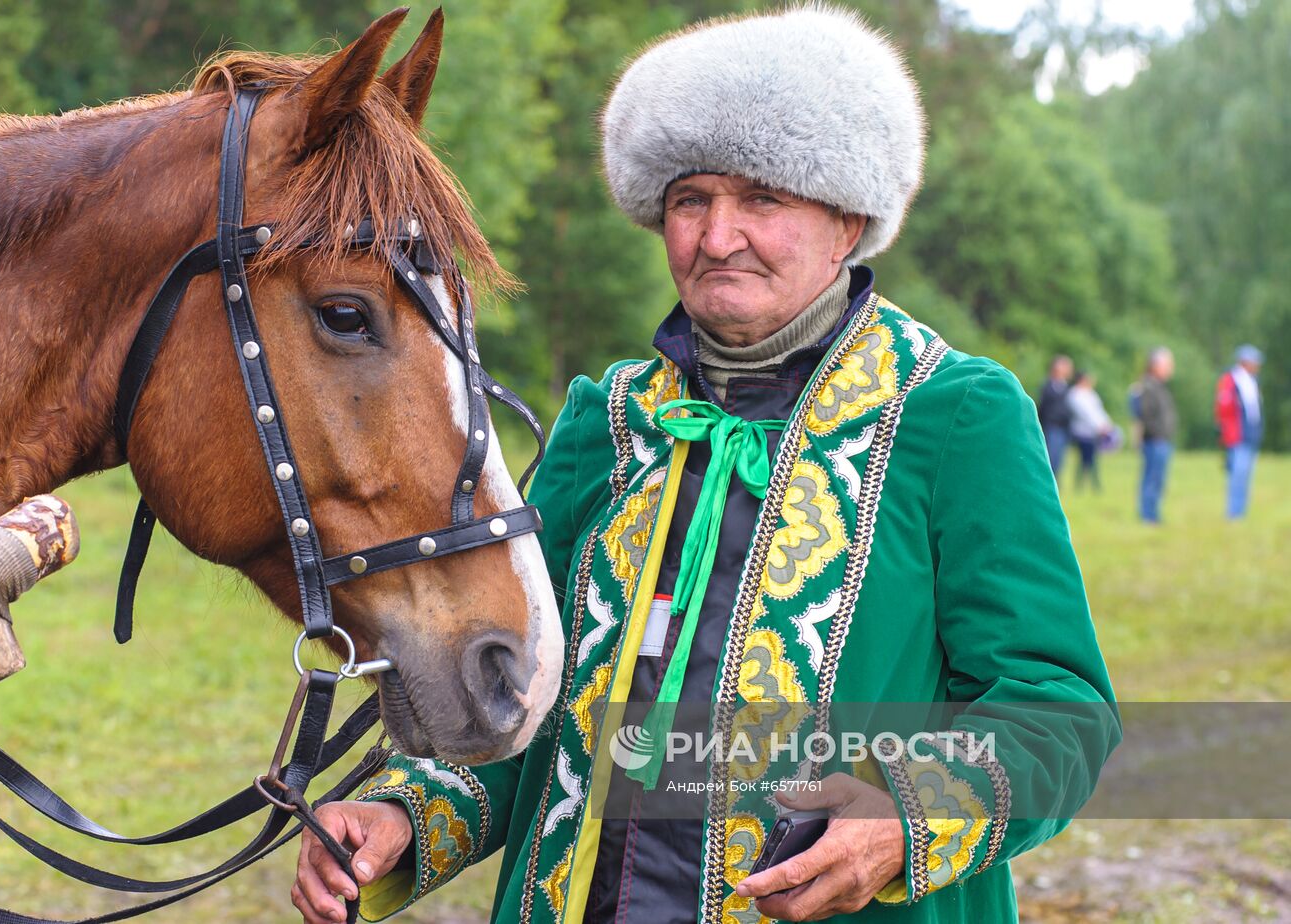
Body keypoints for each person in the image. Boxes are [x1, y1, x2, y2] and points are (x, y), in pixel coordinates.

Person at [291, 8, 1120, 924]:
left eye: (762, 199)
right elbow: (520, 693)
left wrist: (904, 816)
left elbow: (1059, 708)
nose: (718, 236)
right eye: (691, 201)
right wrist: (404, 814)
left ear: (847, 220)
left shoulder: (953, 413)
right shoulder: (603, 420)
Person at [1216, 344, 1264, 519]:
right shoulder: (1231, 380)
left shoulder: (1252, 381)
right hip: (1237, 436)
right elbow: (1224, 410)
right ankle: (1234, 513)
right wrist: (1227, 434)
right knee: (1237, 474)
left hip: (1251, 435)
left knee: (1246, 475)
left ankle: (1241, 511)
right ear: (1245, 362)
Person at [1131, 348, 1177, 523]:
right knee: (1151, 478)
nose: (1171, 368)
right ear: (1156, 365)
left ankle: (1153, 514)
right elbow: (1145, 415)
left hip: (1162, 441)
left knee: (1158, 480)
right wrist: (1156, 434)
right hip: (1154, 441)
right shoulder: (1148, 387)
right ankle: (1147, 515)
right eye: (1168, 364)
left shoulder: (1157, 386)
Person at [1066, 371, 1112, 492]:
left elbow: (1098, 411)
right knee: (1084, 459)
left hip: (1093, 432)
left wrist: (1106, 424)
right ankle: (1082, 484)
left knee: (1092, 459)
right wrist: (1099, 426)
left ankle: (1092, 484)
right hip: (1082, 432)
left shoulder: (1091, 394)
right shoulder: (1075, 394)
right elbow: (1085, 414)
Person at [1037, 355, 1074, 477]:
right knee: (1050, 458)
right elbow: (1042, 408)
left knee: (1059, 460)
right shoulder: (1048, 387)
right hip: (1051, 427)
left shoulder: (1066, 388)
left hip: (1063, 428)